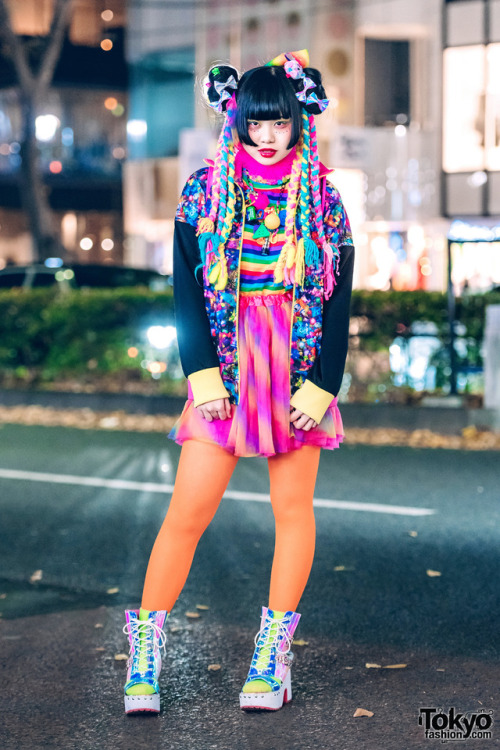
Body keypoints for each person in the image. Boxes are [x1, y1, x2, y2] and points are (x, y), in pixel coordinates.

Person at [122, 49, 355, 715]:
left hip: (296, 368)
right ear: (236, 118)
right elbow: (186, 295)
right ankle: (146, 648)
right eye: (256, 122)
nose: (267, 135)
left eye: (279, 122)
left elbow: (340, 300)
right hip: (225, 369)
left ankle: (272, 654)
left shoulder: (323, 196)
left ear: (297, 120)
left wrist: (322, 385)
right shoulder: (203, 189)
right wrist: (201, 375)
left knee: (292, 514)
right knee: (186, 513)